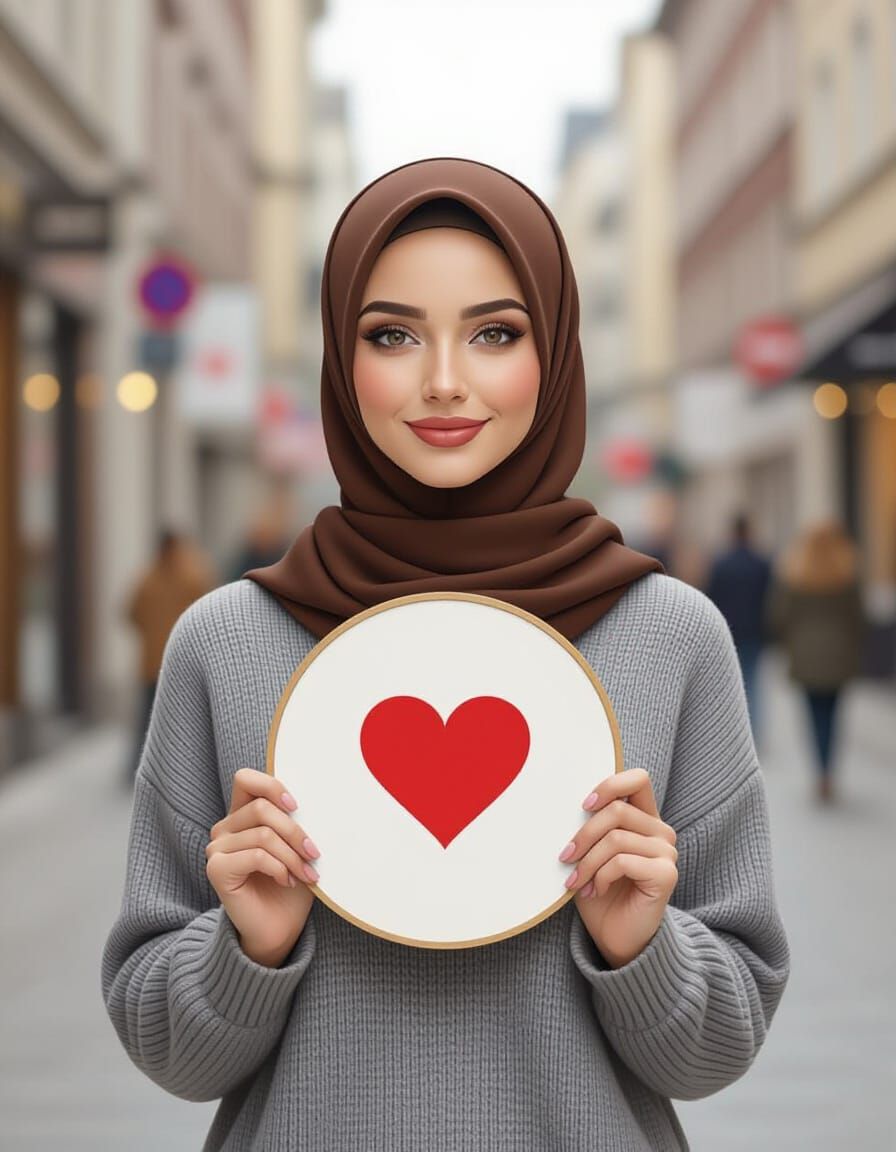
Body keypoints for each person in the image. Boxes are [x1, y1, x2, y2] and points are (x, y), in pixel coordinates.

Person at [101, 159, 790, 1151]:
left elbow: (717, 1051)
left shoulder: (669, 635)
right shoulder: (226, 641)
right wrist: (244, 948)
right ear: (342, 359)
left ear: (553, 353)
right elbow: (168, 1053)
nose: (442, 381)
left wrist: (644, 946)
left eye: (494, 333)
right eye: (390, 335)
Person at [766, 520, 864, 804]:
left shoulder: (795, 573)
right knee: (833, 716)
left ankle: (819, 771)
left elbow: (779, 616)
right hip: (838, 656)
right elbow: (858, 616)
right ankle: (828, 769)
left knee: (813, 716)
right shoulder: (847, 572)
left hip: (805, 656)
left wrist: (789, 643)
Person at [122, 527, 216, 784]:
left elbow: (130, 614)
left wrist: (150, 635)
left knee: (146, 721)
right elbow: (208, 614)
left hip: (151, 663)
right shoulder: (192, 577)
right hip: (179, 664)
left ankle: (136, 770)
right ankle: (177, 776)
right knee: (180, 722)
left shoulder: (147, 579)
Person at [705, 513, 772, 746]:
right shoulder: (761, 563)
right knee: (754, 682)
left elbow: (711, 597)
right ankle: (753, 732)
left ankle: (738, 733)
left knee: (734, 684)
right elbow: (769, 599)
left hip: (730, 630)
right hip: (755, 631)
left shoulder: (721, 564)